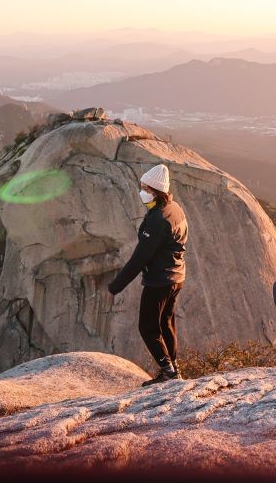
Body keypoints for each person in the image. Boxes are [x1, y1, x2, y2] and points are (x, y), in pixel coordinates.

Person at [107, 163, 190, 386]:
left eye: (145, 187)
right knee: (166, 323)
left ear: (156, 191)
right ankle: (174, 368)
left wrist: (115, 286)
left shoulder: (157, 220)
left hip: (160, 281)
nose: (142, 191)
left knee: (148, 327)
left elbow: (139, 259)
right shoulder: (175, 208)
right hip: (176, 277)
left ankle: (168, 372)